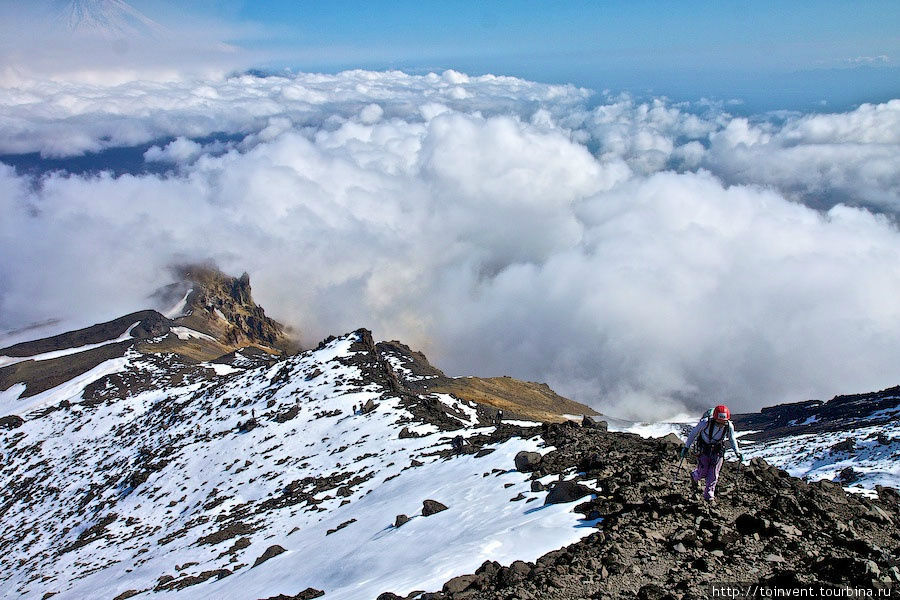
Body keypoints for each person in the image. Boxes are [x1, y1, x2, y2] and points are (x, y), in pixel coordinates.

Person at [681, 404, 744, 502]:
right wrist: (686, 447)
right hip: (704, 449)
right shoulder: (705, 423)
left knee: (714, 473)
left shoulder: (728, 426)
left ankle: (709, 495)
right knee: (703, 472)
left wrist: (737, 452)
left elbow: (732, 439)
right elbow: (693, 433)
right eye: (719, 422)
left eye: (723, 422)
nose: (721, 424)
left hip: (717, 451)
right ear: (714, 418)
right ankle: (695, 475)